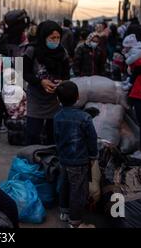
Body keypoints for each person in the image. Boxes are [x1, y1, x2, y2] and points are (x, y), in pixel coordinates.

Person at [54, 81, 98, 228]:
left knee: (64, 184)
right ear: (78, 96)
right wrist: (93, 156)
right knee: (77, 191)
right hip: (79, 161)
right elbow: (92, 139)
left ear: (58, 100)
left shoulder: (57, 117)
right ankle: (75, 222)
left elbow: (56, 137)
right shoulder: (85, 117)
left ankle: (64, 211)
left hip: (64, 159)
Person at [23, 21, 71, 145]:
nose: (55, 41)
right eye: (52, 38)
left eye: (58, 38)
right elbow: (25, 73)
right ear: (43, 37)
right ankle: (32, 159)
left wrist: (62, 83)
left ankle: (50, 160)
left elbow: (67, 75)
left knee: (53, 134)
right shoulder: (31, 50)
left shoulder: (63, 53)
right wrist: (41, 82)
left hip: (54, 100)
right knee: (33, 133)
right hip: (35, 98)